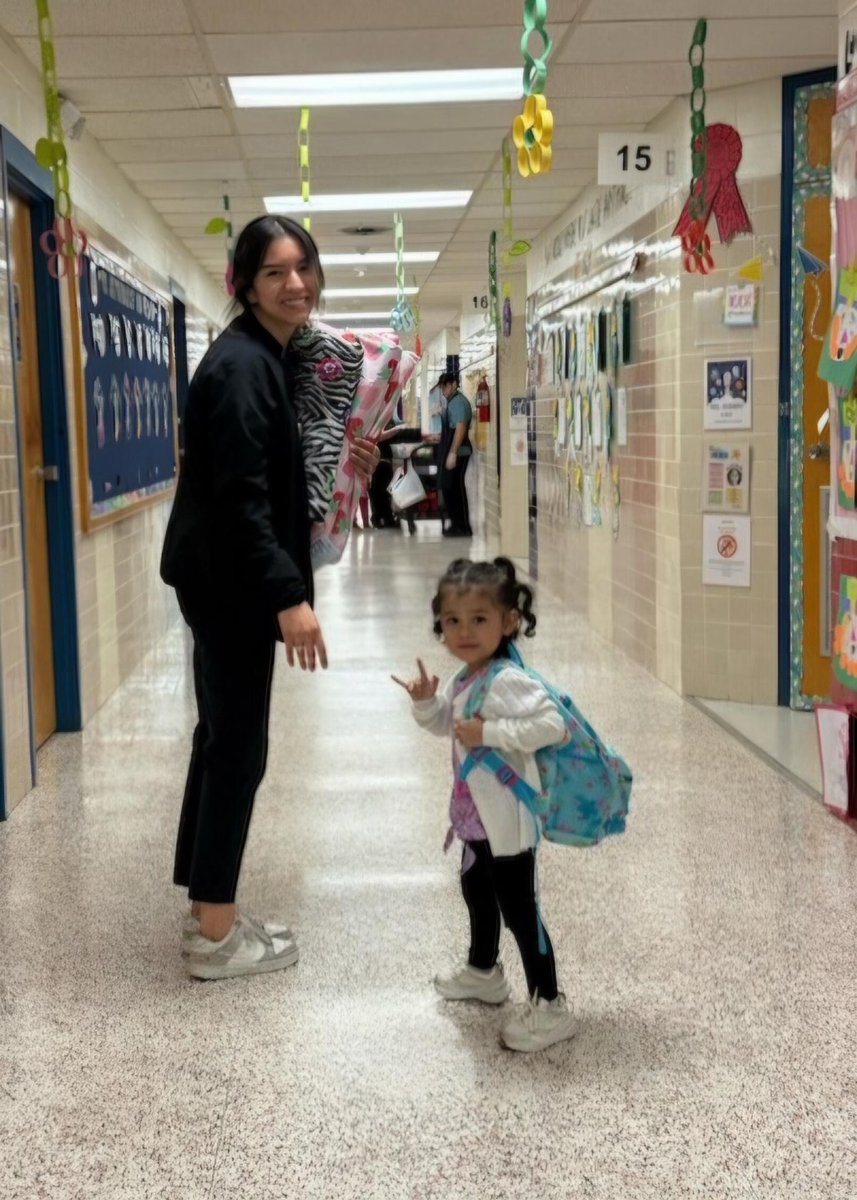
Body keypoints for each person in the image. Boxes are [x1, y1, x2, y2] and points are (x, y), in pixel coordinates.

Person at [160, 215, 379, 981]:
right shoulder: (244, 368)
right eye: (275, 273)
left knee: (220, 740)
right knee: (238, 751)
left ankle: (206, 908)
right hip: (232, 585)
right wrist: (288, 597)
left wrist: (349, 459)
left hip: (223, 578)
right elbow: (241, 499)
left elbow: (274, 473)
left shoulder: (262, 358)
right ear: (245, 285)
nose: (296, 284)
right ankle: (215, 940)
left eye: (304, 268)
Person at [392, 557, 576, 1053]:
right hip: (475, 821)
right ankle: (483, 971)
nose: (465, 632)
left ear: (509, 621)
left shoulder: (506, 679)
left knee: (520, 910)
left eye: (479, 619)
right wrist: (426, 703)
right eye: (453, 620)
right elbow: (447, 726)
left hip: (507, 821)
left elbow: (553, 725)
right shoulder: (466, 676)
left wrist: (490, 732)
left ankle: (550, 1004)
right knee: (476, 890)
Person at [437, 373, 473, 537]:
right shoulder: (452, 402)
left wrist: (453, 453)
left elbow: (460, 428)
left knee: (456, 488)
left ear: (453, 384)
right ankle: (456, 523)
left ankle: (463, 526)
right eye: (442, 387)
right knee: (449, 487)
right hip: (454, 449)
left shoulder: (458, 402)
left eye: (445, 386)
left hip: (459, 451)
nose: (443, 390)